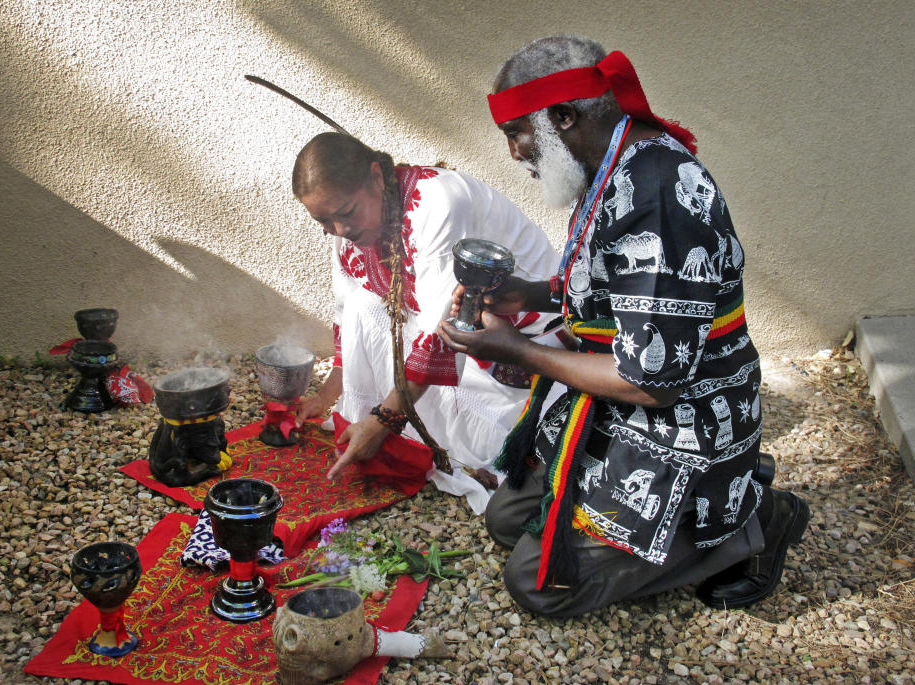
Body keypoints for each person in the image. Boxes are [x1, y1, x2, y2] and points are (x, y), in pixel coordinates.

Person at [437, 35, 810, 615]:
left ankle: (754, 517)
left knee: (539, 586)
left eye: (517, 134)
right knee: (506, 518)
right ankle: (714, 507)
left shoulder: (658, 198)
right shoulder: (614, 165)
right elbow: (616, 291)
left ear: (562, 118)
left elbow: (652, 382)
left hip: (679, 423)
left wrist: (519, 349)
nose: (514, 153)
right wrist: (528, 295)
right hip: (620, 406)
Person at [291, 132, 559, 513]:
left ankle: (410, 434)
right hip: (456, 342)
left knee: (493, 445)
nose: (340, 231)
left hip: (518, 346)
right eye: (323, 221)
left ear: (376, 177)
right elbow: (347, 315)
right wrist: (324, 396)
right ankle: (388, 428)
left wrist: (383, 419)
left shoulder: (440, 202)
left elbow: (444, 333)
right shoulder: (346, 229)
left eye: (346, 214)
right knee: (364, 304)